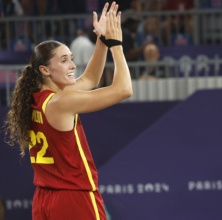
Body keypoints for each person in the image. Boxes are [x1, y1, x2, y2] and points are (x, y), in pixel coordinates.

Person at [4, 2, 132, 219]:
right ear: (44, 70)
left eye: (71, 58)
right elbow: (124, 89)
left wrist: (101, 40)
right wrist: (116, 44)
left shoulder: (36, 99)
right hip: (74, 198)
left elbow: (90, 79)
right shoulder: (62, 101)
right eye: (64, 60)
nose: (72, 65)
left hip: (44, 199)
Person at [121, 9, 160, 79]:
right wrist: (144, 46)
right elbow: (127, 54)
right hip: (126, 72)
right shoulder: (123, 35)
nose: (137, 25)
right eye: (136, 23)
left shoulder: (129, 35)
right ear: (129, 23)